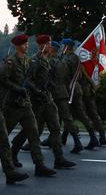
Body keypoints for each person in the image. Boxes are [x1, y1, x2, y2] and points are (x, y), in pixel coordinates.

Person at [10, 35, 76, 169]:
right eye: (47, 43)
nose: (50, 46)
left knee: (55, 128)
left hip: (48, 99)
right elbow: (27, 81)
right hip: (37, 100)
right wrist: (38, 91)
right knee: (31, 131)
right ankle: (13, 153)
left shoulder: (49, 60)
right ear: (40, 45)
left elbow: (51, 78)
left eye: (50, 43)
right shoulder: (34, 61)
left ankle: (59, 158)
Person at [0, 34, 56, 177]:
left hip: (26, 104)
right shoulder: (11, 62)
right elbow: (3, 80)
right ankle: (9, 164)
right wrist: (18, 89)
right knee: (3, 137)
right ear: (18, 46)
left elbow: (29, 79)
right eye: (24, 44)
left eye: (27, 44)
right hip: (12, 105)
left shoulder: (26, 61)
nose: (27, 46)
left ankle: (39, 165)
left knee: (34, 134)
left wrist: (32, 90)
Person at [41, 41, 84, 153]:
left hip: (54, 94)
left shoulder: (50, 62)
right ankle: (54, 140)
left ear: (51, 50)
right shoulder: (61, 62)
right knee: (63, 118)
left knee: (45, 118)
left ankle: (75, 142)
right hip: (63, 92)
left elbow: (46, 78)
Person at [62, 38, 99, 150]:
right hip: (75, 88)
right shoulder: (75, 58)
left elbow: (64, 74)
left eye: (63, 46)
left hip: (70, 89)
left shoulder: (68, 59)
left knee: (68, 115)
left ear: (67, 46)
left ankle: (81, 140)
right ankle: (92, 137)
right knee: (78, 115)